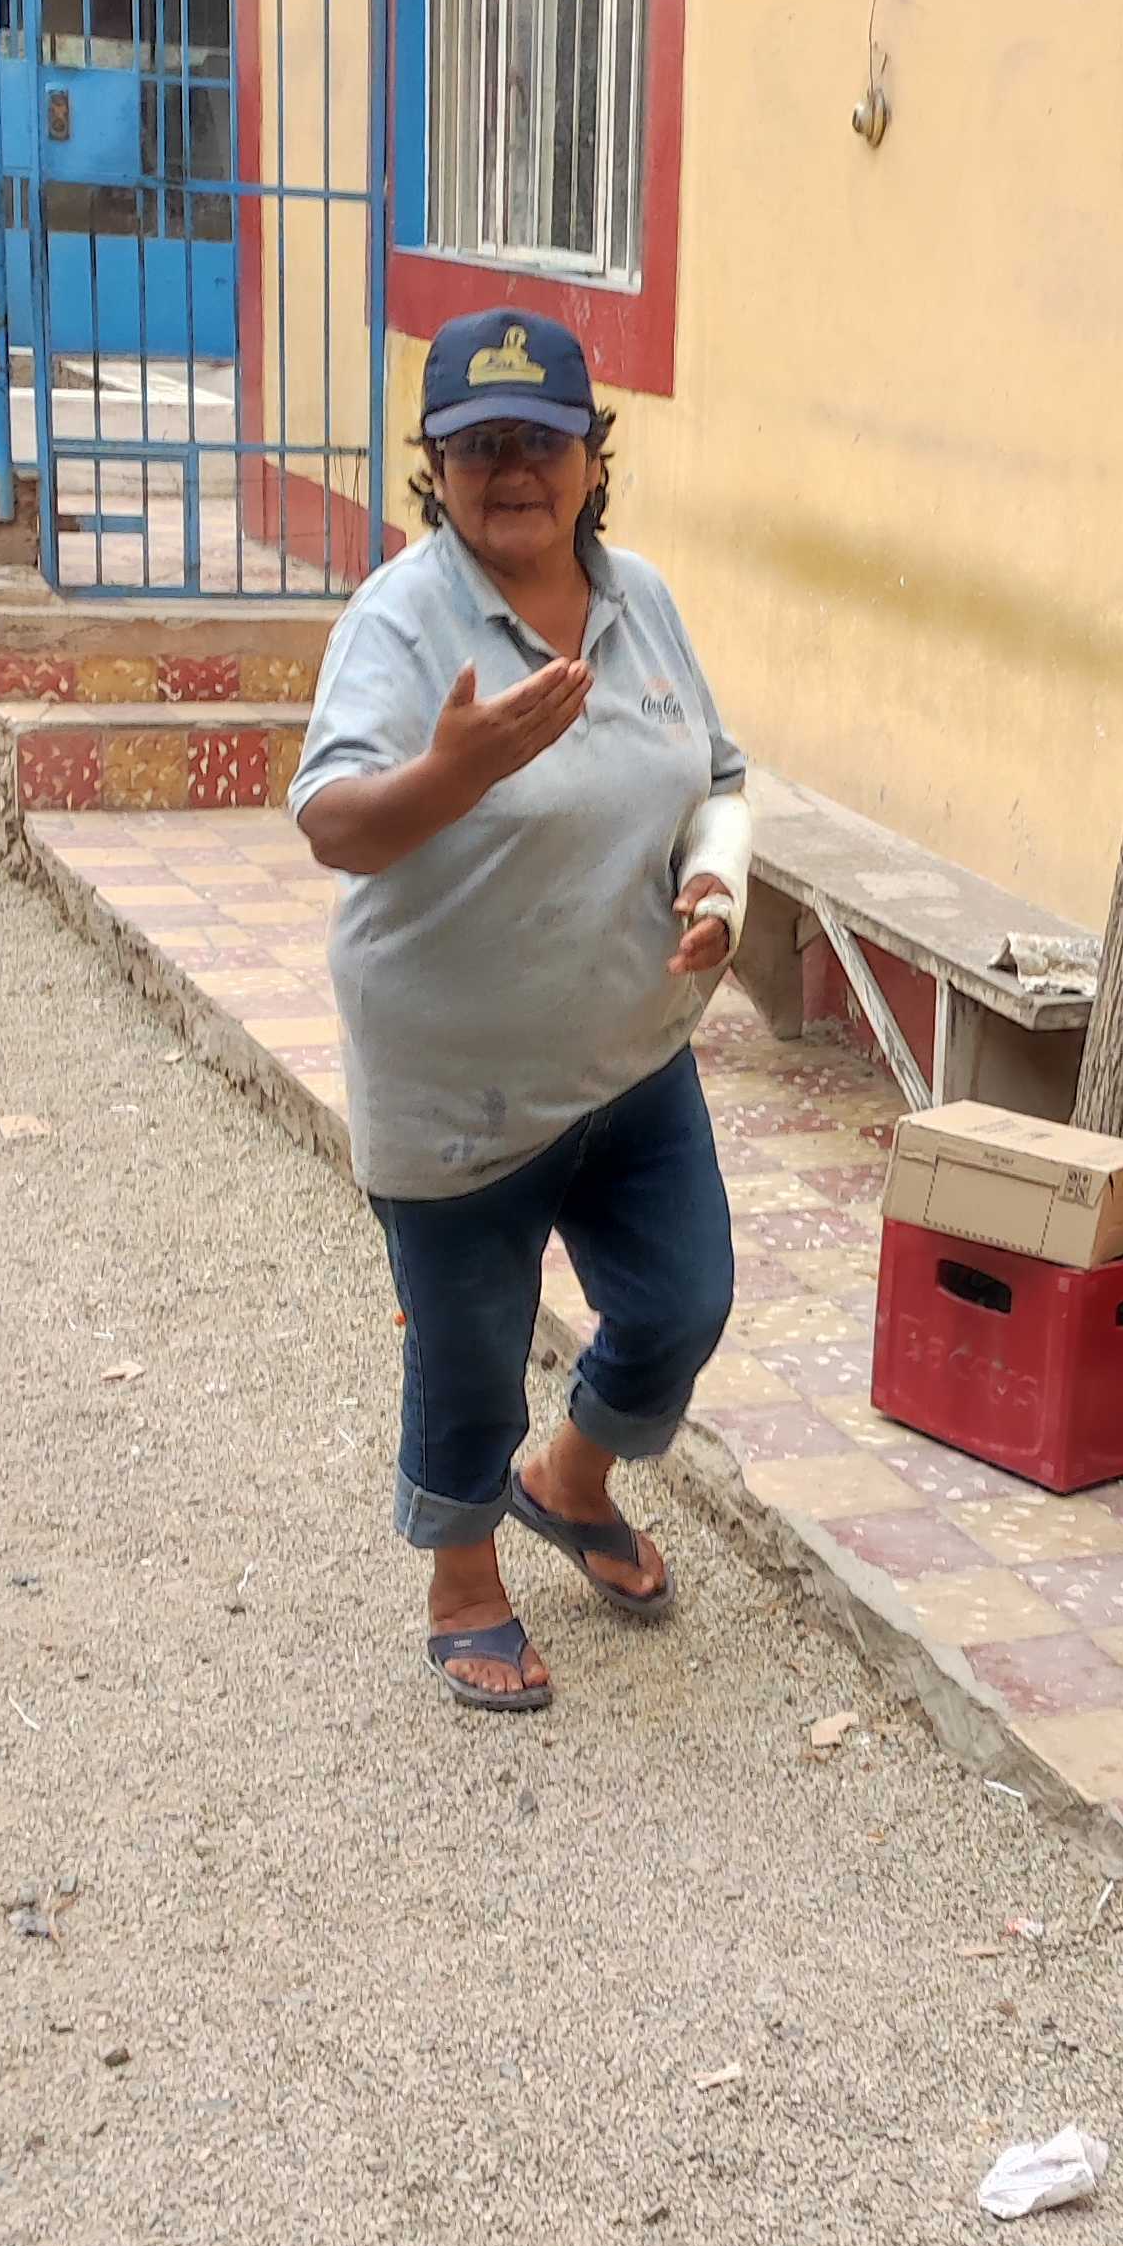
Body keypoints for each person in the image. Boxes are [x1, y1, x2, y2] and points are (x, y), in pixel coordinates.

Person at [290, 305, 751, 1712]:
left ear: (591, 458)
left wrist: (715, 882)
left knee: (682, 1305)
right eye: (479, 445)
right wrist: (454, 772)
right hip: (459, 1090)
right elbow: (333, 825)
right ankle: (463, 1583)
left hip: (631, 1059)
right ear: (434, 466)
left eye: (540, 441)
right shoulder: (401, 620)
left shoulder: (643, 599)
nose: (513, 472)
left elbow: (718, 777)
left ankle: (571, 1480)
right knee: (471, 1360)